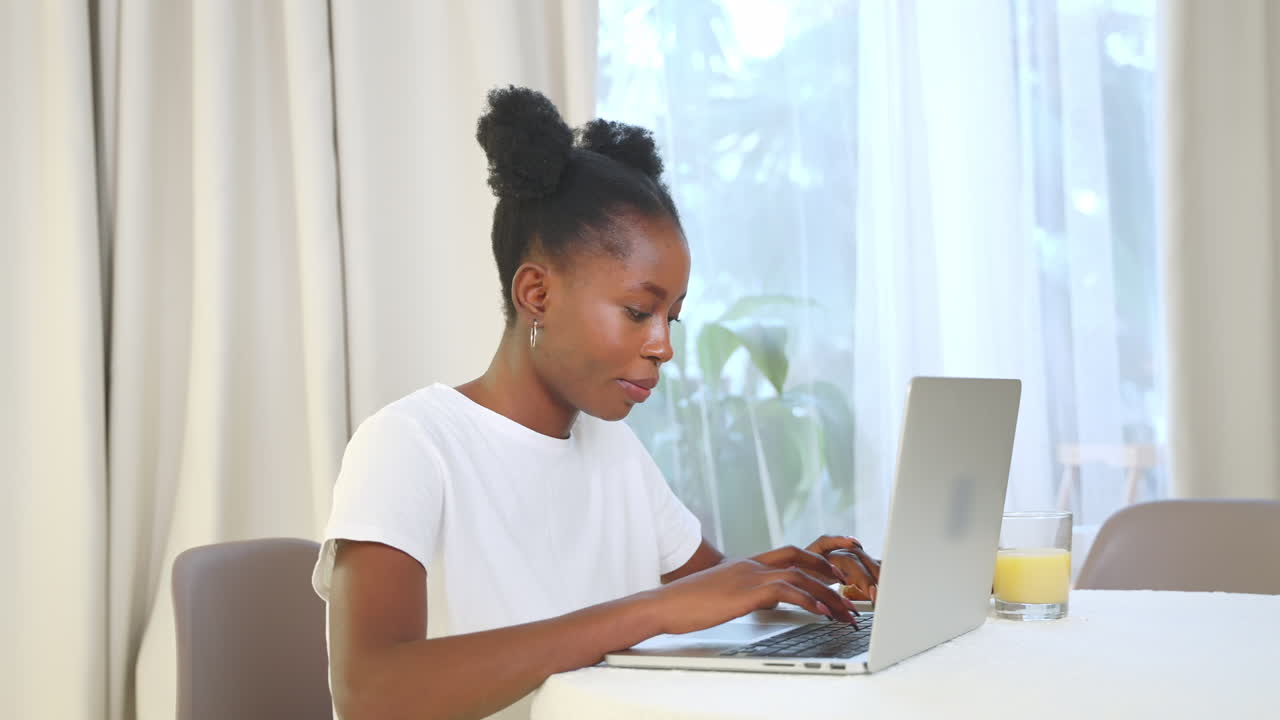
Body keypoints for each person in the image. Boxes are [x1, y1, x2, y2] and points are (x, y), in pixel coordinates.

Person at [312, 86, 881, 720]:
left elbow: (712, 591)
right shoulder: (411, 444)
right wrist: (651, 609)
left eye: (672, 317)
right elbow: (371, 692)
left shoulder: (615, 451)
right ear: (536, 294)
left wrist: (798, 579)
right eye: (639, 311)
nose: (663, 346)